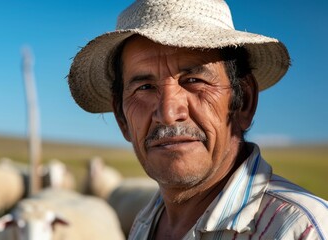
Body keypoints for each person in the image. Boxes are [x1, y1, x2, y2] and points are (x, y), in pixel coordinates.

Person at [68, 0, 328, 239]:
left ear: (243, 103)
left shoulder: (302, 230)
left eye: (194, 81)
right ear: (122, 118)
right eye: (145, 87)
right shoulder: (144, 224)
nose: (168, 114)